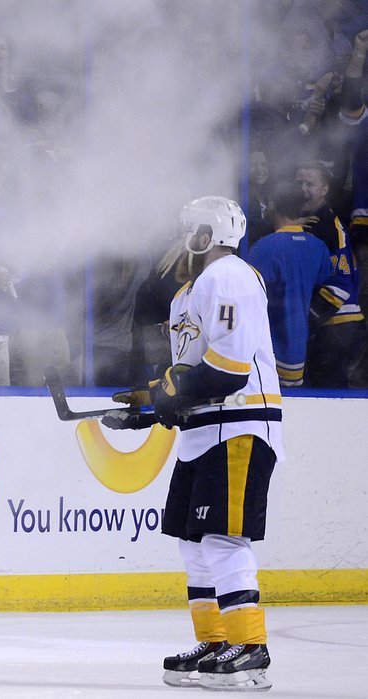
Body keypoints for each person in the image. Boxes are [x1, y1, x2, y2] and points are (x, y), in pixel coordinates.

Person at [106, 197, 281, 691]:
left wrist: (169, 395)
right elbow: (190, 372)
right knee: (193, 542)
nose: (182, 236)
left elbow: (228, 370)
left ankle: (250, 649)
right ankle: (217, 638)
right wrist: (149, 401)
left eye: (190, 228)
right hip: (205, 431)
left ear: (210, 233)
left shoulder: (228, 275)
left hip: (238, 425)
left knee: (225, 539)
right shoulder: (189, 291)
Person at [246, 183, 334, 387]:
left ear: (272, 205)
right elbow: (327, 283)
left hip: (269, 346)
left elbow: (246, 296)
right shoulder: (317, 246)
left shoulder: (264, 248)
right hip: (301, 343)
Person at [295, 162, 365, 387]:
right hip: (335, 326)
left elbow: (341, 284)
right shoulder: (312, 222)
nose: (303, 189)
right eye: (299, 183)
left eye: (310, 184)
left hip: (338, 326)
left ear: (325, 189)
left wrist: (309, 319)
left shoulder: (325, 226)